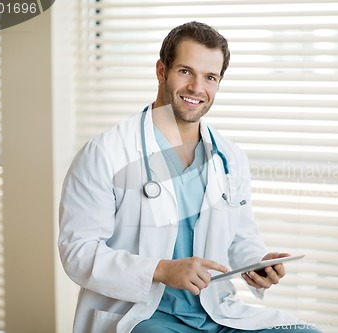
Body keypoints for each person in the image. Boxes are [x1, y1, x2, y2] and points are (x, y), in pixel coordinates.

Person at [58, 21, 321, 333]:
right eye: (186, 71)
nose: (197, 88)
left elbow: (240, 237)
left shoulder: (229, 156)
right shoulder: (105, 153)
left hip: (214, 312)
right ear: (161, 71)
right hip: (142, 315)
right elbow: (78, 251)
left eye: (210, 77)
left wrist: (257, 263)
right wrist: (161, 269)